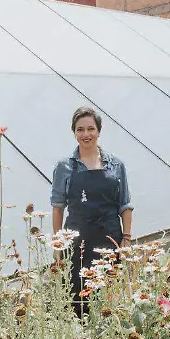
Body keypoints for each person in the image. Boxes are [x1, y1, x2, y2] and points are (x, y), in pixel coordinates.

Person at [51, 106, 133, 312]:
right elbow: (58, 206)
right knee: (77, 298)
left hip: (110, 239)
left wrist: (126, 238)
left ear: (99, 131)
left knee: (110, 297)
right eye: (80, 129)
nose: (86, 134)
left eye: (90, 129)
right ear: (74, 133)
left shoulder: (116, 165)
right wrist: (58, 243)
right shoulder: (65, 166)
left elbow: (125, 204)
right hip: (77, 242)